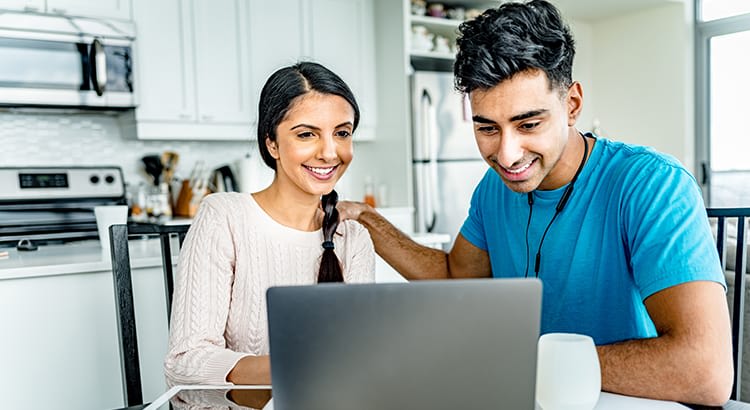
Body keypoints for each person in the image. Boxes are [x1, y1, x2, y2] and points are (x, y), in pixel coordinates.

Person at [338, 0, 732, 405]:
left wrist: (529, 360)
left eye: (528, 124)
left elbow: (705, 370)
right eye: (487, 128)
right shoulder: (494, 190)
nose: (507, 156)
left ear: (572, 105)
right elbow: (457, 277)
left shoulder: (652, 184)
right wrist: (367, 219)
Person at [165, 62, 375, 386]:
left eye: (342, 133)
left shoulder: (354, 236)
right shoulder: (225, 217)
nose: (330, 152)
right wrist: (299, 371)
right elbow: (186, 361)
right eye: (307, 134)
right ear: (271, 143)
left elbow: (357, 358)